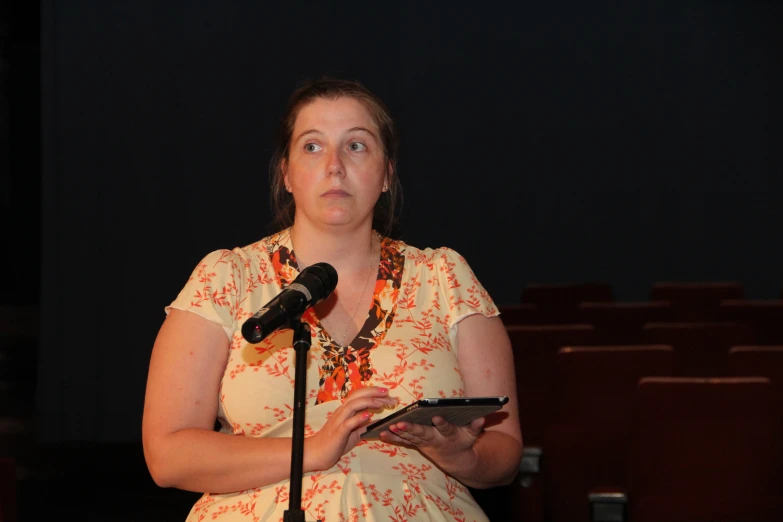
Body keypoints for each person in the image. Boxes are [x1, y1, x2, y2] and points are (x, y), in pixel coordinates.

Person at [142, 77, 522, 522]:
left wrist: (461, 458)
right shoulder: (226, 277)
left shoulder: (445, 277)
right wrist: (311, 451)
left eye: (357, 146)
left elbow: (506, 450)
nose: (335, 166)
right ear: (285, 173)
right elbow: (168, 455)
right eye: (312, 147)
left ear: (387, 174)